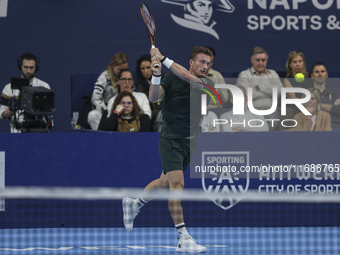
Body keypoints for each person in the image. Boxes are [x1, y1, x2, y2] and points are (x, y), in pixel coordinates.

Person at [122, 46, 215, 253]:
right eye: (201, 62)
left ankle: (134, 204)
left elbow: (185, 75)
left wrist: (163, 58)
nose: (205, 66)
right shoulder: (171, 79)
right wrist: (156, 75)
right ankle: (183, 237)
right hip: (170, 140)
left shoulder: (206, 83)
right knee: (177, 185)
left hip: (190, 142)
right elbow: (154, 97)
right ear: (191, 61)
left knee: (164, 182)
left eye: (208, 63)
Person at [0, 52, 51, 133]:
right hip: (17, 131)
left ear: (36, 68)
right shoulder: (9, 87)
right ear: (20, 67)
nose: (28, 71)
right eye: (25, 67)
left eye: (31, 68)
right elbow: (1, 111)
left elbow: (50, 112)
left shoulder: (44, 86)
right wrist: (5, 113)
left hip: (39, 130)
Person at [237, 46, 283, 120]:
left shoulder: (272, 73)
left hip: (271, 110)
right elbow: (246, 94)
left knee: (275, 125)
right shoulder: (244, 74)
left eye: (263, 60)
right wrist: (270, 90)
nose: (260, 63)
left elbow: (280, 91)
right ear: (252, 60)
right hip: (252, 111)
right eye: (257, 60)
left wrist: (258, 87)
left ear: (266, 60)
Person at [87, 52, 129, 130]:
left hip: (124, 110)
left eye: (125, 69)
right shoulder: (104, 77)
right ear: (112, 66)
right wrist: (106, 110)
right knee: (93, 115)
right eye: (120, 69)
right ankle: (101, 137)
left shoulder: (127, 77)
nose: (122, 72)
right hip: (107, 110)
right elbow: (95, 97)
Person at [135, 54, 164, 131]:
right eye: (143, 68)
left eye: (148, 67)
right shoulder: (139, 87)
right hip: (152, 117)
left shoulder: (165, 78)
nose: (146, 71)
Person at [310, 62, 340, 131]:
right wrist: (332, 106)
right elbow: (308, 110)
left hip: (334, 125)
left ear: (326, 75)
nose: (320, 74)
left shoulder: (335, 92)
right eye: (317, 72)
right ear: (312, 76)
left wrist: (318, 105)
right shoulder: (308, 92)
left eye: (322, 71)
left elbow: (338, 110)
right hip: (314, 125)